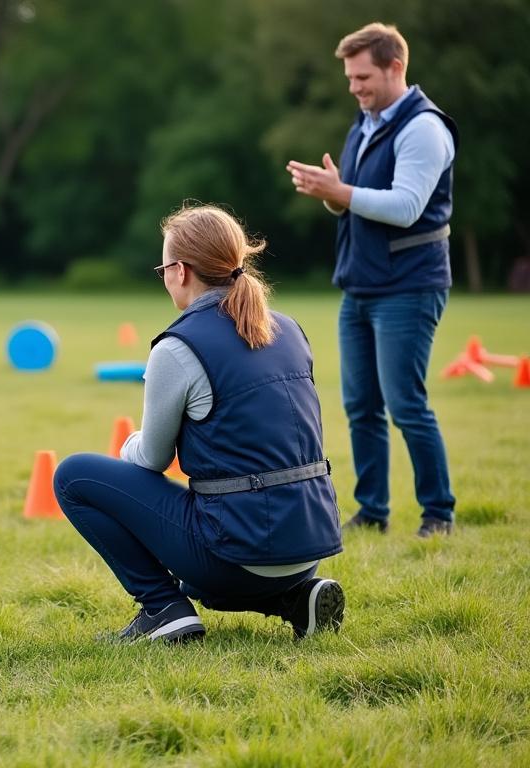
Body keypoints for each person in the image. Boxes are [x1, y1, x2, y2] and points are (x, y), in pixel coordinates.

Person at [53, 204, 345, 643]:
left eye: (163, 268)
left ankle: (162, 609)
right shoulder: (290, 329)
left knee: (73, 474)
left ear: (181, 271)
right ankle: (294, 597)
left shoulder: (177, 347)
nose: (165, 277)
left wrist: (126, 447)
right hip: (309, 545)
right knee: (198, 567)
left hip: (237, 554)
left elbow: (151, 458)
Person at [286, 22, 458, 538]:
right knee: (360, 405)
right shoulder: (365, 122)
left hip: (409, 286)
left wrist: (341, 192)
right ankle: (372, 512)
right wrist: (331, 194)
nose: (354, 88)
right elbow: (356, 199)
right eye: (350, 78)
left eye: (363, 77)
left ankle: (438, 515)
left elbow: (406, 207)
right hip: (360, 284)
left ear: (395, 68)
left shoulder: (424, 129)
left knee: (406, 404)